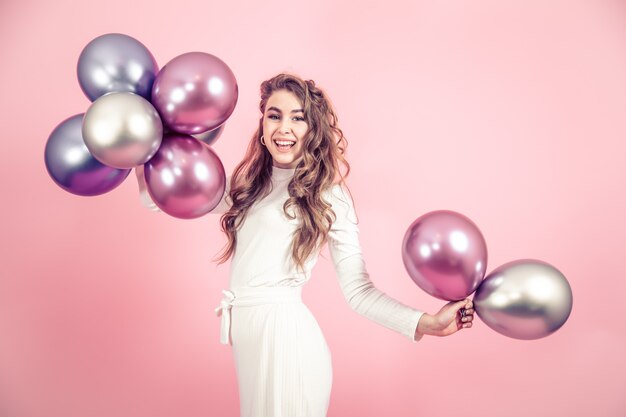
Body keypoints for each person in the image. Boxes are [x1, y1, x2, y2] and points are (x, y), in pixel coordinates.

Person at [137, 73, 474, 417]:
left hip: (286, 343)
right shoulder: (249, 184)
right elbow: (164, 199)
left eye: (298, 118)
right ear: (262, 124)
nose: (284, 128)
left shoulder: (329, 194)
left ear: (313, 130)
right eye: (274, 115)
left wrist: (425, 323)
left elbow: (358, 291)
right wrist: (143, 145)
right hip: (251, 344)